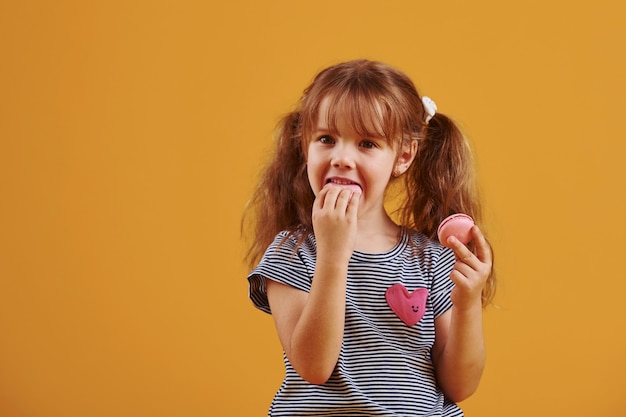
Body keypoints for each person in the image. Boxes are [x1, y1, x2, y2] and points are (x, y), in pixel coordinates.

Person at [243, 59, 496, 416]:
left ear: (404, 155)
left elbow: (460, 386)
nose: (342, 158)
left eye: (367, 143)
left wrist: (468, 301)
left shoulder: (432, 259)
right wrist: (332, 255)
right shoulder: (293, 251)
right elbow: (314, 367)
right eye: (326, 139)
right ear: (305, 146)